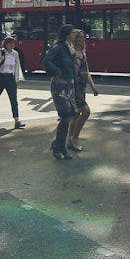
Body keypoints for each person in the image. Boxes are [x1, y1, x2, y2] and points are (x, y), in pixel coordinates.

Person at [40, 25, 78, 160]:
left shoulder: (71, 49)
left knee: (70, 115)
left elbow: (73, 70)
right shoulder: (59, 47)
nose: (75, 35)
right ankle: (59, 147)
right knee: (66, 115)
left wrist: (77, 89)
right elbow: (45, 61)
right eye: (73, 33)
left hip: (69, 85)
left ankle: (59, 145)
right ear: (67, 34)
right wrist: (57, 72)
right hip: (59, 85)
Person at [67, 29, 99, 151]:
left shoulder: (82, 53)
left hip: (81, 87)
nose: (82, 39)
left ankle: (70, 139)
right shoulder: (71, 52)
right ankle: (75, 137)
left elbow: (86, 71)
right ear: (75, 38)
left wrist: (93, 87)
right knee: (86, 111)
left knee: (76, 114)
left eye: (83, 37)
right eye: (80, 37)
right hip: (73, 87)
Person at [0, 36, 26, 129]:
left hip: (10, 78)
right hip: (0, 77)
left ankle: (17, 120)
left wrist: (17, 78)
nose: (13, 45)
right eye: (11, 43)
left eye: (13, 44)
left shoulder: (15, 54)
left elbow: (17, 66)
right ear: (6, 44)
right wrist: (0, 60)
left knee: (13, 99)